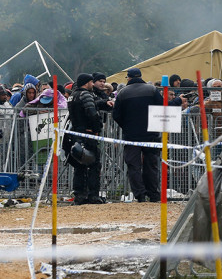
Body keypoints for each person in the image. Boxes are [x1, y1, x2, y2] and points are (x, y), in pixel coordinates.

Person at [112, 68, 163, 203]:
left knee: (133, 165)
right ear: (140, 76)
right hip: (151, 134)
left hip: (131, 136)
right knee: (151, 165)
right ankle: (154, 195)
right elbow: (162, 108)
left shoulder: (122, 93)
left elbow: (116, 115)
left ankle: (140, 195)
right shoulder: (152, 90)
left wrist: (127, 126)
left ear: (128, 78)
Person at [67, 73, 104, 204]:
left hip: (76, 134)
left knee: (79, 165)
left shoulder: (72, 96)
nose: (93, 84)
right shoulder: (85, 94)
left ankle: (79, 195)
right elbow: (91, 113)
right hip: (88, 134)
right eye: (91, 82)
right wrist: (97, 128)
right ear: (86, 83)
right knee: (94, 164)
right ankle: (93, 195)